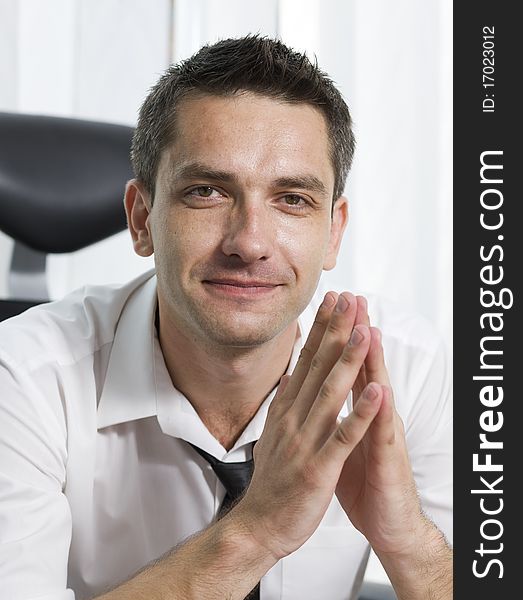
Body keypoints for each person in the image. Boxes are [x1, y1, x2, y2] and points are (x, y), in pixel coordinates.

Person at [0, 35, 452, 600]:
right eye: (207, 191)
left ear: (334, 232)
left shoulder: (401, 369)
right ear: (141, 218)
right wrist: (257, 530)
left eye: (292, 199)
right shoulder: (20, 377)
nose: (249, 243)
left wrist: (408, 540)